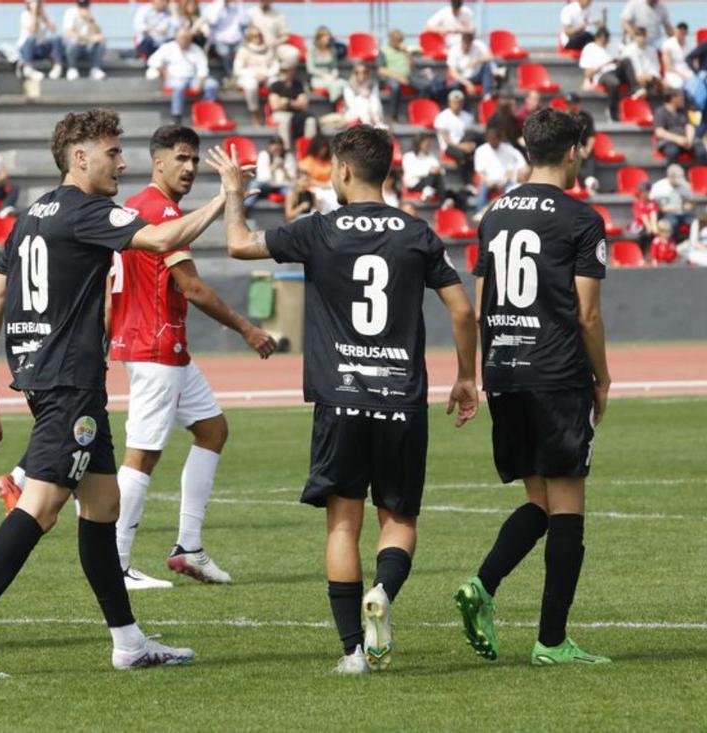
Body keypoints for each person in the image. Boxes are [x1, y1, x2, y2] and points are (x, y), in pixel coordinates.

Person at [0, 109, 228, 678]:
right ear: (80, 157)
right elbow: (164, 237)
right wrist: (227, 196)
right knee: (40, 508)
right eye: (112, 152)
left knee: (102, 507)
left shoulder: (30, 216)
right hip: (69, 380)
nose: (122, 161)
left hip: (52, 376)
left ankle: (128, 642)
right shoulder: (88, 211)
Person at [210, 123, 478, 674]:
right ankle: (382, 591)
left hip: (340, 399)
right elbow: (462, 310)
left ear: (346, 171)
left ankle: (353, 651)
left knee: (342, 525)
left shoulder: (318, 230)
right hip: (401, 399)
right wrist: (466, 376)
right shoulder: (417, 233)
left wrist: (234, 192)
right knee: (399, 519)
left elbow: (238, 244)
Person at [457, 108, 610, 667]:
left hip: (505, 372)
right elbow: (588, 314)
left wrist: (475, 374)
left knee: (538, 502)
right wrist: (603, 377)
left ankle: (482, 585)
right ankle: (551, 641)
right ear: (572, 150)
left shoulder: (494, 214)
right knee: (569, 509)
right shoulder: (581, 217)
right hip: (556, 372)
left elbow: (479, 306)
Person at [104, 125, 277, 589]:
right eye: (182, 158)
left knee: (212, 429)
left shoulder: (137, 207)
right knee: (142, 454)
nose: (190, 167)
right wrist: (247, 328)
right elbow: (192, 286)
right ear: (157, 162)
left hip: (162, 347)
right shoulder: (160, 211)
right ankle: (116, 565)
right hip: (155, 348)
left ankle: (189, 547)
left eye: (195, 160)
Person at [147, 28, 220, 125]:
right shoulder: (168, 47)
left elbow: (203, 68)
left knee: (212, 85)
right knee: (179, 86)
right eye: (182, 38)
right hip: (174, 77)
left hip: (193, 78)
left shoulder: (196, 49)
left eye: (186, 38)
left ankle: (204, 110)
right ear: (177, 38)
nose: (184, 40)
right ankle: (177, 116)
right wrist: (164, 71)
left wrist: (200, 82)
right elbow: (152, 60)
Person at [378, 29, 433, 123]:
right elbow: (381, 70)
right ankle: (393, 117)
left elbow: (412, 68)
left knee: (425, 85)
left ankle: (418, 112)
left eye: (401, 40)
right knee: (395, 87)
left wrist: (407, 53)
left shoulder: (404, 51)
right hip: (391, 77)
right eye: (397, 40)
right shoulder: (383, 50)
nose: (399, 42)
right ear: (391, 39)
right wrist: (398, 77)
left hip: (407, 76)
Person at [473, 125, 529, 210]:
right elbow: (480, 172)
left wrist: (505, 179)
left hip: (505, 181)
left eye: (495, 139)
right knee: (482, 190)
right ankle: (479, 213)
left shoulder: (508, 149)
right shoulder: (481, 150)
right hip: (488, 181)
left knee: (515, 189)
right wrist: (488, 181)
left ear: (499, 139)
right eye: (491, 140)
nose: (493, 142)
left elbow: (514, 167)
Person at [579, 27, 628, 120]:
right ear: (597, 38)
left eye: (606, 38)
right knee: (614, 82)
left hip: (616, 71)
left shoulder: (613, 46)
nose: (604, 41)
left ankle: (636, 90)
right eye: (602, 38)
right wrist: (604, 64)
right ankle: (612, 111)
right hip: (602, 75)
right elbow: (588, 73)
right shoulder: (589, 48)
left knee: (627, 61)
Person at [235, 26, 277, 127]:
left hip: (265, 75)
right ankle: (255, 113)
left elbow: (275, 65)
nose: (257, 38)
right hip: (248, 76)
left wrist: (267, 74)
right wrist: (254, 74)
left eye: (259, 35)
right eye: (254, 36)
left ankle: (274, 111)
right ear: (249, 37)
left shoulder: (268, 49)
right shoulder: (243, 50)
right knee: (251, 86)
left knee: (275, 82)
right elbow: (237, 69)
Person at [434, 89, 478, 184]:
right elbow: (447, 140)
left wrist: (471, 145)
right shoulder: (442, 117)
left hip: (464, 144)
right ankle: (466, 183)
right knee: (463, 155)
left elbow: (470, 135)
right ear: (449, 103)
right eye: (454, 102)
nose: (457, 105)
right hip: (450, 147)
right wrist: (462, 147)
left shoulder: (468, 117)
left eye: (459, 103)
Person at [268, 63, 315, 147]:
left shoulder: (298, 85)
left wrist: (287, 102)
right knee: (285, 121)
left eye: (288, 71)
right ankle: (286, 150)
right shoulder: (275, 85)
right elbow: (275, 106)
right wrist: (295, 103)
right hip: (280, 114)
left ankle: (309, 150)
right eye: (283, 71)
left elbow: (304, 105)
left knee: (311, 121)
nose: (286, 73)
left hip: (298, 114)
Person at [654, 90, 705, 164]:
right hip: (670, 141)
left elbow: (689, 126)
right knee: (672, 151)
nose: (682, 99)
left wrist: (689, 140)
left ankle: (700, 173)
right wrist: (678, 139)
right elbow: (659, 132)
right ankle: (674, 174)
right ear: (672, 98)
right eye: (680, 97)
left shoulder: (683, 111)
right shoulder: (660, 112)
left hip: (686, 139)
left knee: (700, 149)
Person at [18, 0, 66, 81]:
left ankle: (58, 66)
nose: (37, 5)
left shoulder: (45, 14)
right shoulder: (25, 15)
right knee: (31, 39)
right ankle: (28, 68)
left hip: (41, 47)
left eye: (39, 3)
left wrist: (44, 16)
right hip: (28, 48)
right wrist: (34, 14)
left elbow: (53, 30)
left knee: (57, 38)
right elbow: (33, 30)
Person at [62, 0, 107, 81]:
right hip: (74, 48)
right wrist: (89, 38)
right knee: (72, 43)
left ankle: (95, 69)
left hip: (87, 48)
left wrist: (91, 20)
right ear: (77, 5)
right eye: (81, 5)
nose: (83, 8)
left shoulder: (91, 14)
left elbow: (98, 32)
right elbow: (69, 33)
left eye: (85, 5)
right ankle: (72, 69)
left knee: (102, 41)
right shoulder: (70, 12)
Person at [247, 135, 296, 209]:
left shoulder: (288, 156)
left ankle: (291, 215)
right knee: (255, 184)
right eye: (274, 147)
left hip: (283, 186)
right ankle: (245, 207)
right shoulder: (263, 155)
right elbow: (262, 177)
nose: (277, 149)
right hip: (266, 186)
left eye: (279, 146)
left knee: (291, 191)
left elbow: (292, 179)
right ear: (269, 146)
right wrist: (273, 168)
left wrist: (283, 169)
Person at [247, 0, 299, 67]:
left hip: (274, 47)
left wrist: (274, 43)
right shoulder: (250, 13)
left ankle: (283, 74)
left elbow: (285, 36)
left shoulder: (279, 15)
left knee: (292, 54)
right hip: (254, 47)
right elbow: (246, 34)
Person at [447, 31, 495, 100]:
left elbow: (490, 56)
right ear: (462, 41)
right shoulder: (454, 50)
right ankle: (458, 102)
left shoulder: (478, 45)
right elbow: (453, 73)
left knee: (487, 66)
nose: (466, 46)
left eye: (469, 43)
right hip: (462, 79)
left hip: (477, 76)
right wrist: (467, 84)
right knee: (455, 84)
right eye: (465, 42)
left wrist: (477, 61)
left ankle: (487, 96)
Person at [650, 163, 696, 234]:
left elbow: (692, 201)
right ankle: (672, 243)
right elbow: (651, 204)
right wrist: (662, 208)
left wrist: (689, 205)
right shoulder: (658, 187)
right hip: (666, 214)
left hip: (682, 212)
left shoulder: (685, 185)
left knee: (694, 222)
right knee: (672, 223)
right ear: (669, 176)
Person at [203, 0, 244, 78]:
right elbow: (212, 21)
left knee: (242, 53)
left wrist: (239, 3)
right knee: (225, 52)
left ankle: (237, 75)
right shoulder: (213, 6)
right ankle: (230, 75)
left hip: (236, 39)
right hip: (219, 40)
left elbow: (244, 21)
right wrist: (222, 4)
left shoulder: (237, 5)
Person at [402, 135, 445, 202]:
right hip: (414, 184)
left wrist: (436, 170)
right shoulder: (408, 156)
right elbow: (411, 171)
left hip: (431, 182)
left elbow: (441, 170)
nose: (428, 145)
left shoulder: (431, 156)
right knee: (433, 175)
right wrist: (428, 170)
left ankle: (428, 191)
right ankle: (441, 201)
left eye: (429, 143)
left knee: (437, 176)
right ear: (419, 143)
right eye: (426, 143)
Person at [308, 26, 345, 103]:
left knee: (344, 83)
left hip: (331, 77)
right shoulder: (312, 50)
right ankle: (333, 103)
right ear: (319, 38)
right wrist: (323, 75)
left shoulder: (332, 50)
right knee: (333, 86)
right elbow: (310, 68)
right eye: (325, 36)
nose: (327, 38)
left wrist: (334, 75)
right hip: (318, 78)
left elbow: (334, 67)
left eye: (328, 36)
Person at [343, 63, 385, 127]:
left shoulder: (373, 84)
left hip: (373, 112)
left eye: (364, 72)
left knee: (374, 100)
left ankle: (376, 123)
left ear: (368, 73)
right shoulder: (349, 86)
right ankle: (369, 124)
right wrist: (363, 96)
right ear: (354, 73)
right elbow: (351, 105)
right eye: (358, 72)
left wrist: (368, 96)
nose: (361, 74)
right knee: (364, 102)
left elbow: (375, 99)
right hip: (354, 113)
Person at [661, 22, 694, 90]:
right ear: (675, 31)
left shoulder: (691, 45)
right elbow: (668, 66)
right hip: (673, 72)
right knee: (678, 84)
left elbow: (694, 63)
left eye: (683, 32)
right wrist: (681, 75)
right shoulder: (668, 44)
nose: (681, 34)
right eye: (679, 31)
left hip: (688, 71)